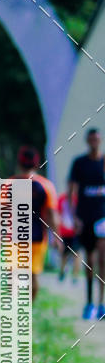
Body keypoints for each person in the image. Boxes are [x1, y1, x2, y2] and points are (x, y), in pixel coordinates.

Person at [11, 146, 59, 301]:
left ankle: (18, 309)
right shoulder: (46, 185)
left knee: (14, 275)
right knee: (33, 275)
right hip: (37, 236)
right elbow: (51, 214)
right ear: (37, 164)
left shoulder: (9, 184)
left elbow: (0, 212)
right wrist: (56, 237)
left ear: (19, 163)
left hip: (14, 238)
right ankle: (29, 308)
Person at [68, 128, 105, 319]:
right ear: (87, 141)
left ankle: (102, 303)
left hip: (102, 218)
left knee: (103, 259)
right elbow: (71, 191)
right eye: (91, 139)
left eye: (97, 139)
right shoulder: (80, 163)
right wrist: (74, 217)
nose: (94, 142)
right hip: (85, 217)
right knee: (89, 260)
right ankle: (89, 302)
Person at [57, 191, 80, 283]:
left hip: (75, 231)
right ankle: (62, 272)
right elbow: (58, 214)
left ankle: (75, 275)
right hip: (64, 230)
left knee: (76, 254)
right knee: (64, 253)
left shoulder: (77, 199)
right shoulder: (62, 199)